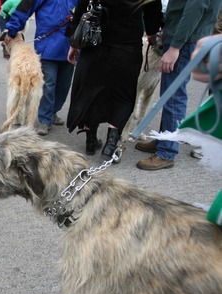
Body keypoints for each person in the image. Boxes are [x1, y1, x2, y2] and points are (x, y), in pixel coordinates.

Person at [66, 0, 162, 158]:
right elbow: (153, 16)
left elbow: (82, 9)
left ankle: (90, 141)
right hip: (128, 47)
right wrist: (151, 34)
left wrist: (74, 43)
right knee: (122, 96)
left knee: (91, 92)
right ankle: (110, 145)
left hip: (94, 41)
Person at [135, 0, 222, 170]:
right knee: (171, 93)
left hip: (185, 40)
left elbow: (194, 10)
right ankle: (164, 139)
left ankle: (166, 152)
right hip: (188, 36)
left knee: (173, 95)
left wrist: (175, 46)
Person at [4, 0, 77, 136]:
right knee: (49, 84)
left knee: (64, 85)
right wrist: (12, 29)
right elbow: (24, 9)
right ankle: (45, 119)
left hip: (71, 45)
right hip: (48, 45)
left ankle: (53, 111)